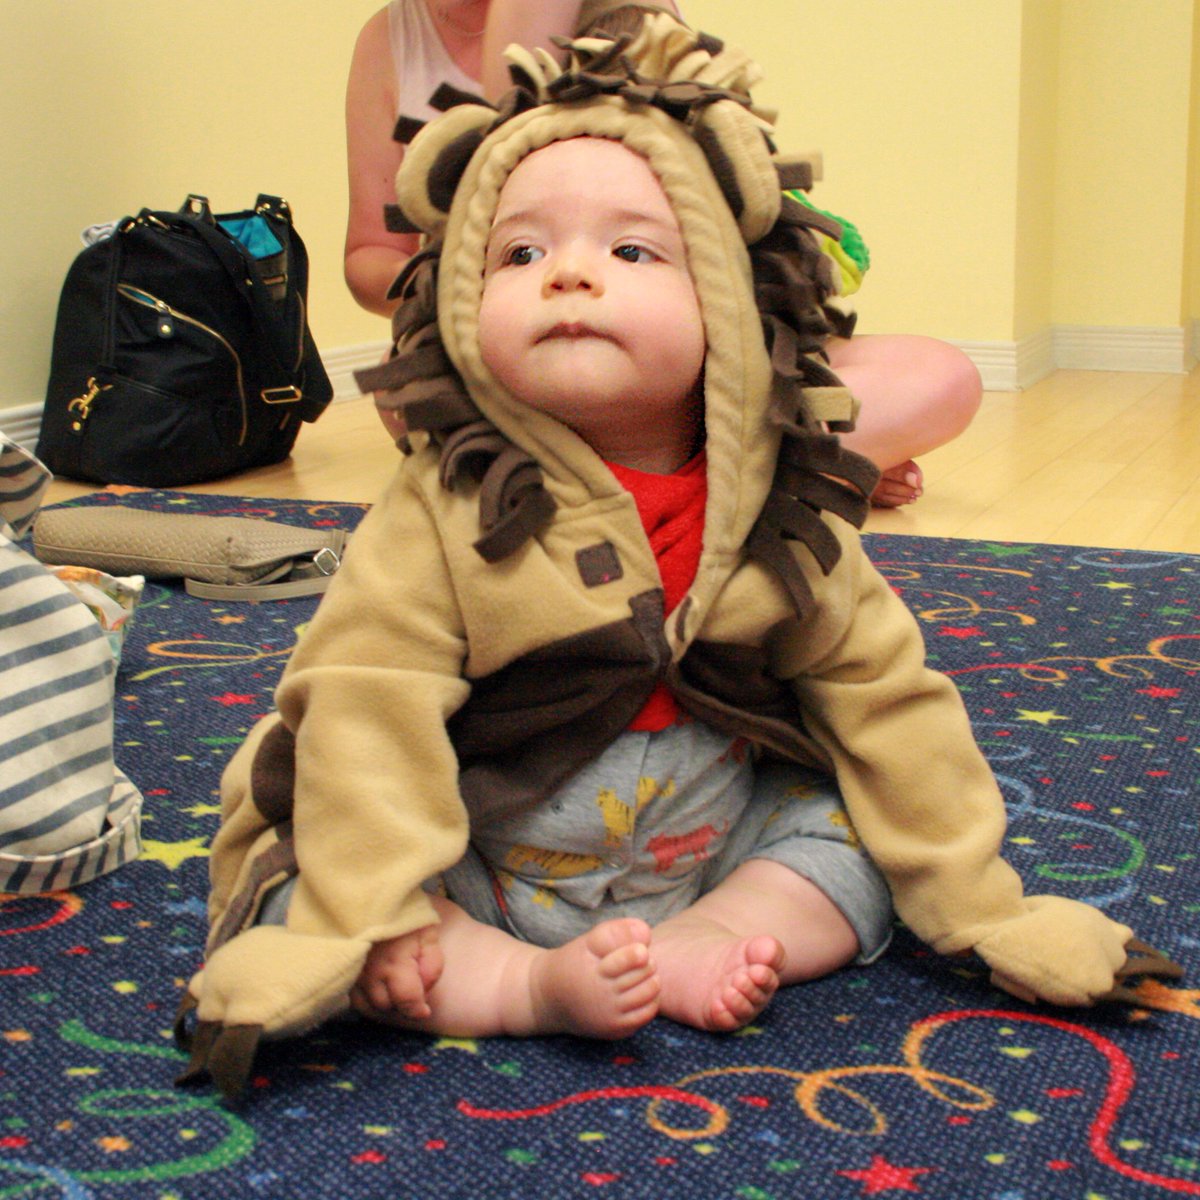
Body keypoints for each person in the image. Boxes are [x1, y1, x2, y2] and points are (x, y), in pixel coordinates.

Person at [177, 23, 1169, 1101]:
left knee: (858, 836)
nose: (566, 276)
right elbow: (365, 704)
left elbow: (885, 696)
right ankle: (518, 985)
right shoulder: (445, 505)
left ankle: (731, 931)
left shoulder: (787, 507)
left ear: (732, 305)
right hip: (485, 845)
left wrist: (986, 907)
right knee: (328, 873)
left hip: (715, 834)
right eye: (519, 252)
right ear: (458, 297)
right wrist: (365, 905)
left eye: (632, 250)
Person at [343, 1, 980, 507]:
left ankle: (612, 484)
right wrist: (466, 281)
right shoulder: (388, 40)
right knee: (403, 393)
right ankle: (778, 470)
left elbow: (701, 214)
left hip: (677, 350)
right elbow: (371, 251)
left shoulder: (633, 13)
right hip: (514, 346)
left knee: (943, 376)